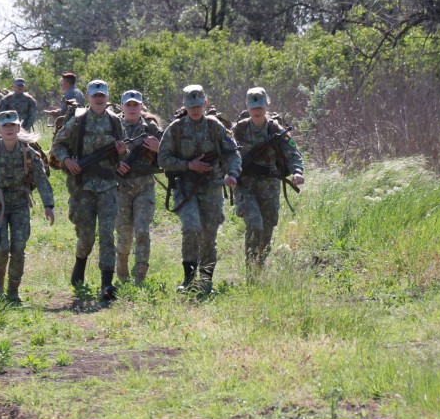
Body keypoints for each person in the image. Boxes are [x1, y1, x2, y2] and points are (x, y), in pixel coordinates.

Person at [157, 84, 241, 295]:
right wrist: (188, 165)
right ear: (184, 105)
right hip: (185, 188)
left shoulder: (215, 127)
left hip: (212, 187)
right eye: (190, 105)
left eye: (198, 105)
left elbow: (233, 152)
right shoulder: (175, 129)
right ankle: (188, 279)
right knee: (191, 227)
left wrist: (232, 174)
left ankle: (206, 281)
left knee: (209, 235)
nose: (195, 109)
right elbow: (162, 159)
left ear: (205, 103)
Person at [51, 79, 126, 300]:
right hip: (82, 186)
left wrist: (122, 152)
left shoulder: (115, 122)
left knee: (106, 234)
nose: (99, 98)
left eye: (102, 94)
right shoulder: (78, 121)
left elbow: (121, 152)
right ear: (89, 96)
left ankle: (106, 283)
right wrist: (67, 160)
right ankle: (80, 265)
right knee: (86, 235)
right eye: (95, 94)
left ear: (107, 96)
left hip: (108, 186)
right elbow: (57, 145)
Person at [0, 110, 55, 302]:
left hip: (19, 203)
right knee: (1, 248)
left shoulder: (29, 153)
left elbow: (41, 180)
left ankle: (13, 291)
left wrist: (48, 205)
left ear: (18, 128)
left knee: (18, 248)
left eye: (12, 125)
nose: (9, 129)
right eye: (5, 126)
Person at [233, 87, 304, 277]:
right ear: (247, 107)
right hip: (245, 186)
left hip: (269, 187)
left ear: (267, 106)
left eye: (260, 106)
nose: (257, 110)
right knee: (255, 224)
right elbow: (225, 155)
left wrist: (297, 172)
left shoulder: (276, 130)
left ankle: (260, 265)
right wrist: (228, 174)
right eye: (253, 106)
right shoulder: (238, 130)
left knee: (267, 228)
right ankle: (251, 271)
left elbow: (293, 153)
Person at [115, 90, 163, 285]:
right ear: (122, 107)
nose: (132, 108)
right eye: (129, 105)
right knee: (124, 234)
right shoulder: (113, 126)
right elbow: (100, 154)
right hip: (121, 188)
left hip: (145, 186)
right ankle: (123, 269)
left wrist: (158, 148)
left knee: (142, 230)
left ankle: (140, 276)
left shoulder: (152, 128)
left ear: (142, 106)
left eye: (136, 105)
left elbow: (169, 157)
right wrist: (116, 162)